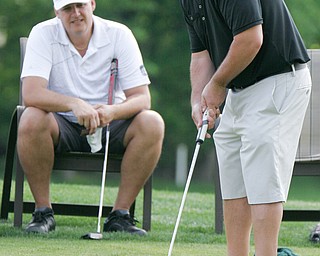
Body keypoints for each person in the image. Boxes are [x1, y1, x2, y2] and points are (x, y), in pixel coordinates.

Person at [17, 0, 164, 235]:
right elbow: (31, 94)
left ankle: (120, 215)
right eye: (67, 8)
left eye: (80, 5)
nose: (75, 13)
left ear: (92, 4)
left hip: (110, 124)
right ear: (57, 12)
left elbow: (141, 98)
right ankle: (43, 213)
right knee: (31, 117)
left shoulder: (119, 34)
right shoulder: (42, 33)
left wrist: (112, 112)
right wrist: (75, 104)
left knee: (152, 122)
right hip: (60, 123)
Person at [180, 0, 311, 255]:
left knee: (263, 179)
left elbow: (251, 38)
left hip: (278, 78)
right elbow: (201, 54)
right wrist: (199, 100)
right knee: (233, 178)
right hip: (240, 85)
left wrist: (217, 85)